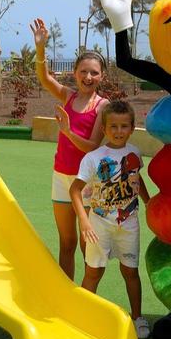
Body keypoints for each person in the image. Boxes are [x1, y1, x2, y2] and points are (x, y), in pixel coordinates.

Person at [31, 18, 108, 280]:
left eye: (94, 72)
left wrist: (67, 132)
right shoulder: (68, 96)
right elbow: (44, 78)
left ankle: (86, 296)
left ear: (101, 76)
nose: (88, 77)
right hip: (61, 177)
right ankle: (67, 296)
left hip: (87, 180)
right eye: (83, 71)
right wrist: (41, 48)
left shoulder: (103, 106)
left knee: (88, 245)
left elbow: (93, 146)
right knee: (67, 242)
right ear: (75, 73)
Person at [69, 100, 152, 339]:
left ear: (132, 127)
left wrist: (148, 201)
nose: (118, 131)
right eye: (113, 126)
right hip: (99, 225)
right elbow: (75, 190)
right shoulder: (93, 158)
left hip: (128, 224)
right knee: (94, 272)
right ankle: (85, 317)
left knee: (131, 272)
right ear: (104, 129)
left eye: (124, 126)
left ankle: (137, 318)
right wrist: (84, 221)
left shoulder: (135, 152)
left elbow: (137, 178)